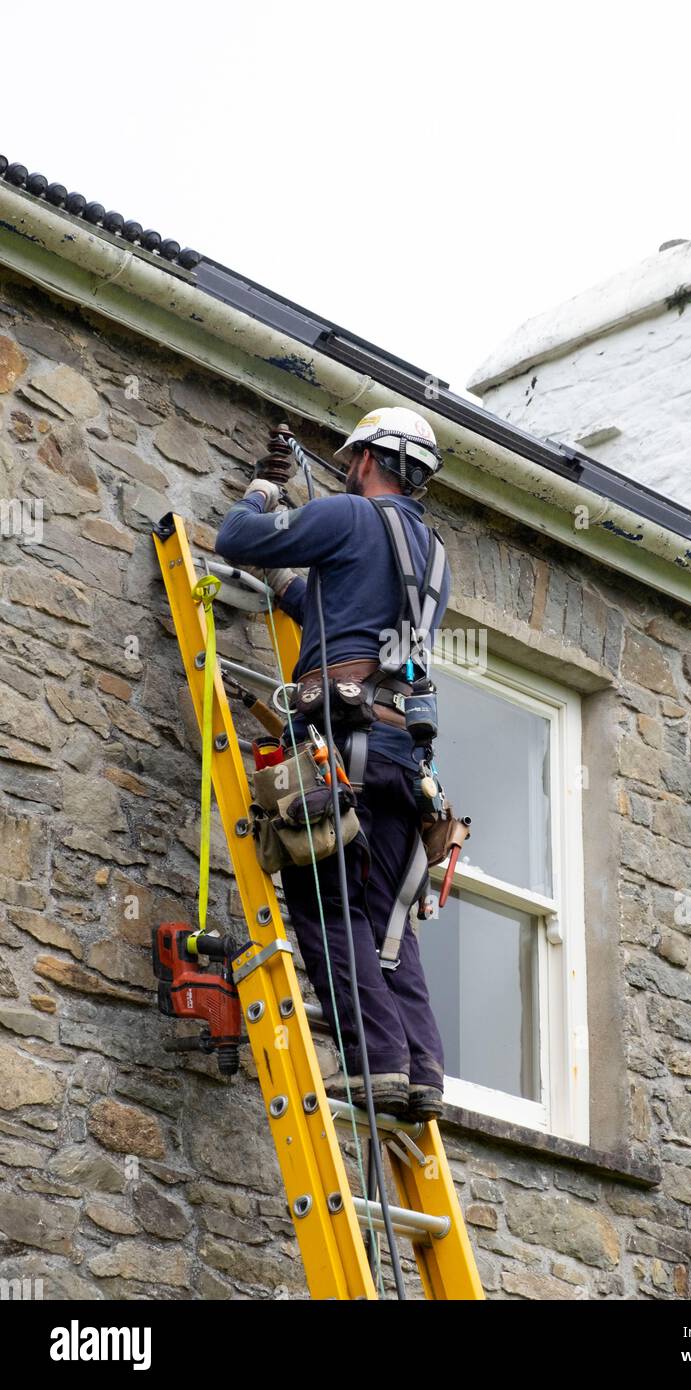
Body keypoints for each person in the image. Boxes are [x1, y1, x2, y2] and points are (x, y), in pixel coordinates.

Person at [215, 407, 450, 1121]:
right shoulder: (433, 554)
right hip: (402, 756)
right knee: (387, 920)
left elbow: (236, 539)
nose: (346, 469)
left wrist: (262, 490)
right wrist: (286, 585)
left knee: (327, 904)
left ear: (368, 461)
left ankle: (377, 1062)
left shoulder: (349, 515)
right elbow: (336, 608)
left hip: (340, 740)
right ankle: (422, 1071)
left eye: (353, 460)